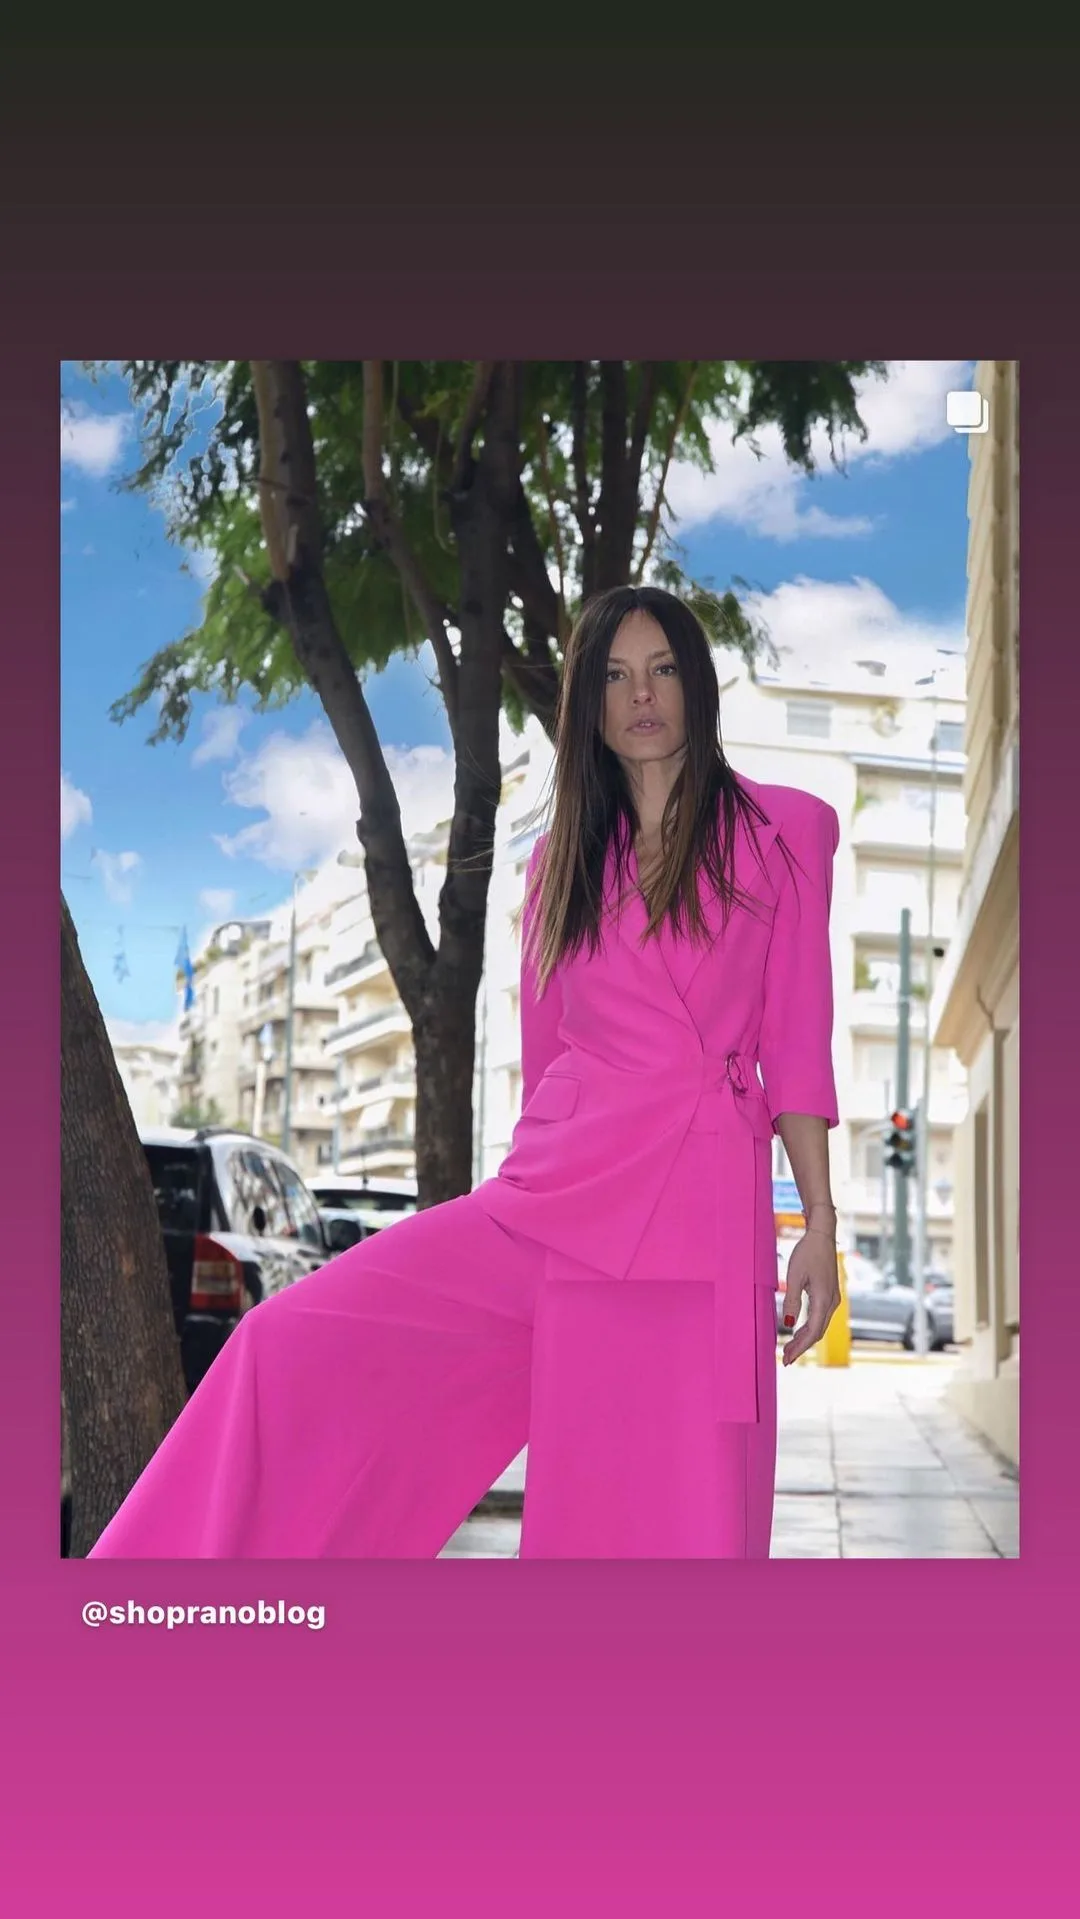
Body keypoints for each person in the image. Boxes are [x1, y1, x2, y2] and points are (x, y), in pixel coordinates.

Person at [87, 584, 841, 1561]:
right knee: (288, 1341)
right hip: (556, 1204)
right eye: (614, 676)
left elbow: (797, 1047)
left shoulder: (784, 832)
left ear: (697, 683)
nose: (641, 695)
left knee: (677, 1515)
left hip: (701, 1218)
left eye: (662, 669)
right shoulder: (559, 864)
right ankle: (164, 1595)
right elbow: (549, 1061)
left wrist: (818, 1225)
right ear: (588, 705)